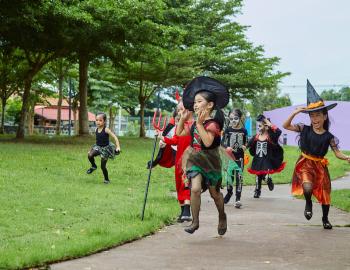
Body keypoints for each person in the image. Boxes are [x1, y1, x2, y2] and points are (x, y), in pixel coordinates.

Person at [283, 80, 350, 229]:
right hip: (305, 163)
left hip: (320, 166)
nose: (315, 119)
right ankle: (308, 203)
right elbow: (285, 126)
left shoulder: (329, 136)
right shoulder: (304, 128)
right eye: (312, 116)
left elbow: (337, 153)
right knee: (307, 187)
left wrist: (347, 157)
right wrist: (295, 112)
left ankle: (325, 219)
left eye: (318, 115)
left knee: (325, 194)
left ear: (325, 117)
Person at [178, 76, 229, 235]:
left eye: (199, 101)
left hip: (211, 161)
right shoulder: (194, 123)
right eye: (194, 102)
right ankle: (195, 222)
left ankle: (222, 216)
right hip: (194, 159)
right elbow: (179, 133)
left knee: (215, 194)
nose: (195, 104)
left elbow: (207, 143)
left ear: (210, 105)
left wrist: (199, 124)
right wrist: (182, 119)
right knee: (195, 189)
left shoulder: (213, 124)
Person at [157, 100, 193, 222]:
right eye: (178, 110)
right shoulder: (179, 126)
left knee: (186, 182)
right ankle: (183, 210)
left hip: (190, 159)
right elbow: (175, 140)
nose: (180, 112)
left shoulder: (194, 125)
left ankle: (188, 209)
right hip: (179, 159)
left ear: (189, 110)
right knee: (178, 184)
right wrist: (163, 138)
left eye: (182, 109)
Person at [247, 114, 285, 198]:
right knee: (257, 175)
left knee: (265, 175)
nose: (258, 127)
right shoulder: (256, 137)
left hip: (266, 160)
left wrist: (269, 123)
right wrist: (242, 148)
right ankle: (257, 190)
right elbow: (247, 145)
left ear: (266, 126)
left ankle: (269, 180)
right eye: (258, 125)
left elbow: (279, 132)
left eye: (260, 125)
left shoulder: (270, 137)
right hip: (257, 159)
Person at [221, 109, 248, 208]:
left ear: (240, 118)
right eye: (231, 118)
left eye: (236, 118)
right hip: (229, 157)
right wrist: (226, 147)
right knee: (229, 177)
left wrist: (245, 146)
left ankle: (238, 198)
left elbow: (247, 142)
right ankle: (229, 193)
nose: (233, 121)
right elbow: (222, 142)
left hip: (239, 157)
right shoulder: (228, 130)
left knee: (239, 177)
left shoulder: (244, 131)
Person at [86, 113, 121, 184]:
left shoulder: (106, 130)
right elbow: (97, 141)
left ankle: (106, 179)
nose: (98, 122)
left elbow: (115, 137)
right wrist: (91, 149)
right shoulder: (96, 129)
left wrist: (118, 147)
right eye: (96, 120)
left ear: (104, 121)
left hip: (106, 149)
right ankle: (93, 166)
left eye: (100, 120)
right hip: (98, 147)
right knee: (90, 155)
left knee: (103, 166)